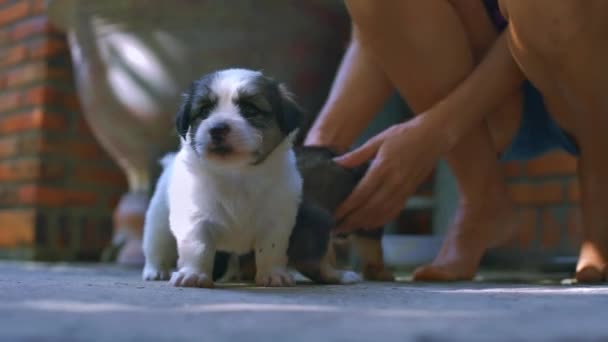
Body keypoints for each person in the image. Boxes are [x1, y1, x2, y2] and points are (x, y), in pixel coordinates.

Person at [304, 0, 608, 283]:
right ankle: (483, 197)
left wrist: (434, 133)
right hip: (491, 105)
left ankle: (599, 183)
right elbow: (373, 33)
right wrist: (319, 154)